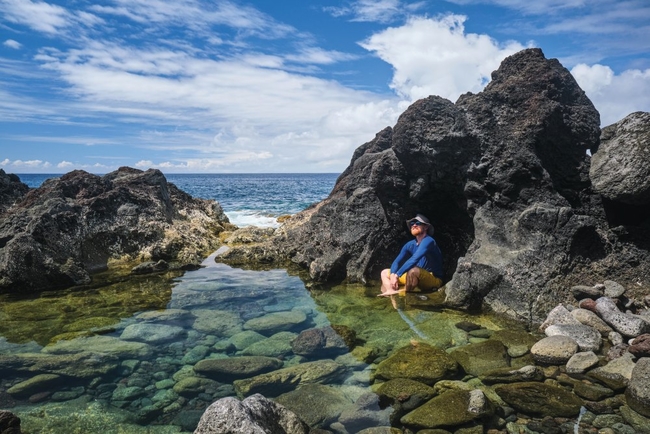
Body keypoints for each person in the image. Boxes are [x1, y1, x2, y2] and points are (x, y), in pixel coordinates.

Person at [378, 213, 443, 297]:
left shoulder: (429, 241)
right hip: (415, 276)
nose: (414, 225)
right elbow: (397, 261)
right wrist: (393, 274)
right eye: (412, 223)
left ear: (426, 227)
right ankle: (390, 291)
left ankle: (406, 294)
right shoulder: (410, 244)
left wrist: (398, 274)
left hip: (433, 279)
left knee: (413, 270)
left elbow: (415, 259)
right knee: (384, 272)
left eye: (418, 223)